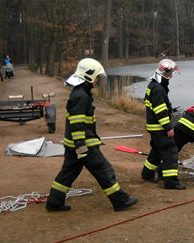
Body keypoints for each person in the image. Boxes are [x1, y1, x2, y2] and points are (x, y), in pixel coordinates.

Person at [46, 58, 138, 212]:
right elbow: (77, 123)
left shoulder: (80, 93)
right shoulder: (81, 96)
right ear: (89, 76)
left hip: (74, 144)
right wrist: (81, 146)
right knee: (104, 170)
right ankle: (119, 200)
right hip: (83, 145)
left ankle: (54, 202)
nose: (97, 81)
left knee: (68, 173)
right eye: (97, 78)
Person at [141, 59, 186, 190]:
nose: (171, 76)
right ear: (165, 73)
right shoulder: (159, 89)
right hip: (159, 127)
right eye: (170, 73)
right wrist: (168, 127)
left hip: (153, 126)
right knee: (170, 151)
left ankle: (147, 174)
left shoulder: (153, 85)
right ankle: (171, 181)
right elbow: (159, 110)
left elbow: (155, 106)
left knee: (156, 151)